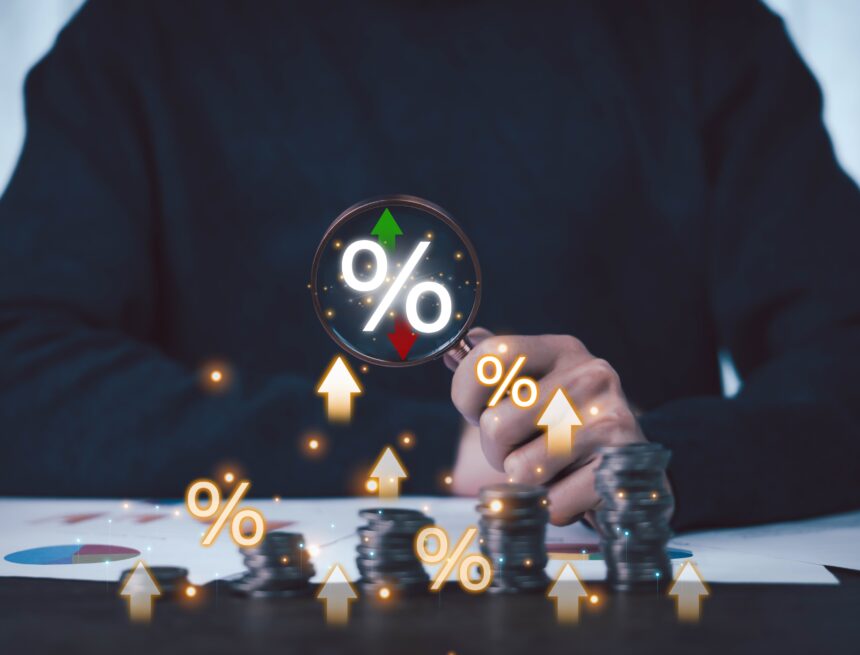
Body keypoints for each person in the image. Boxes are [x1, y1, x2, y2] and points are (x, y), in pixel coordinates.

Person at [0, 1, 858, 530]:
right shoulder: (136, 40)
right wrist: (432, 448)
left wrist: (647, 461)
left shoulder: (703, 31)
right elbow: (19, 373)